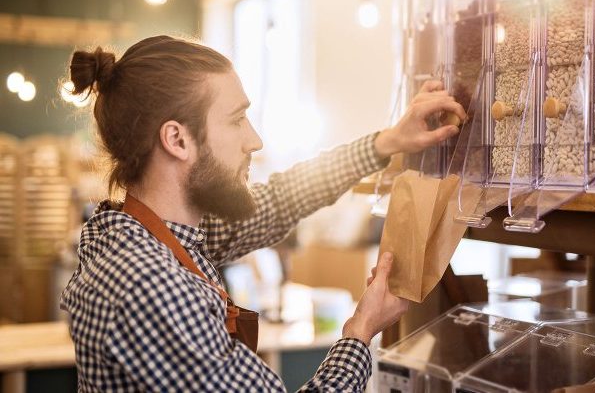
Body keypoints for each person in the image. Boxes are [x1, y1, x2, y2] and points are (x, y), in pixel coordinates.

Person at [60, 35, 466, 392]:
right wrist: (360, 332)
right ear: (177, 139)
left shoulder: (149, 236)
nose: (254, 140)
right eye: (237, 119)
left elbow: (279, 200)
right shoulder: (149, 287)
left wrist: (387, 142)